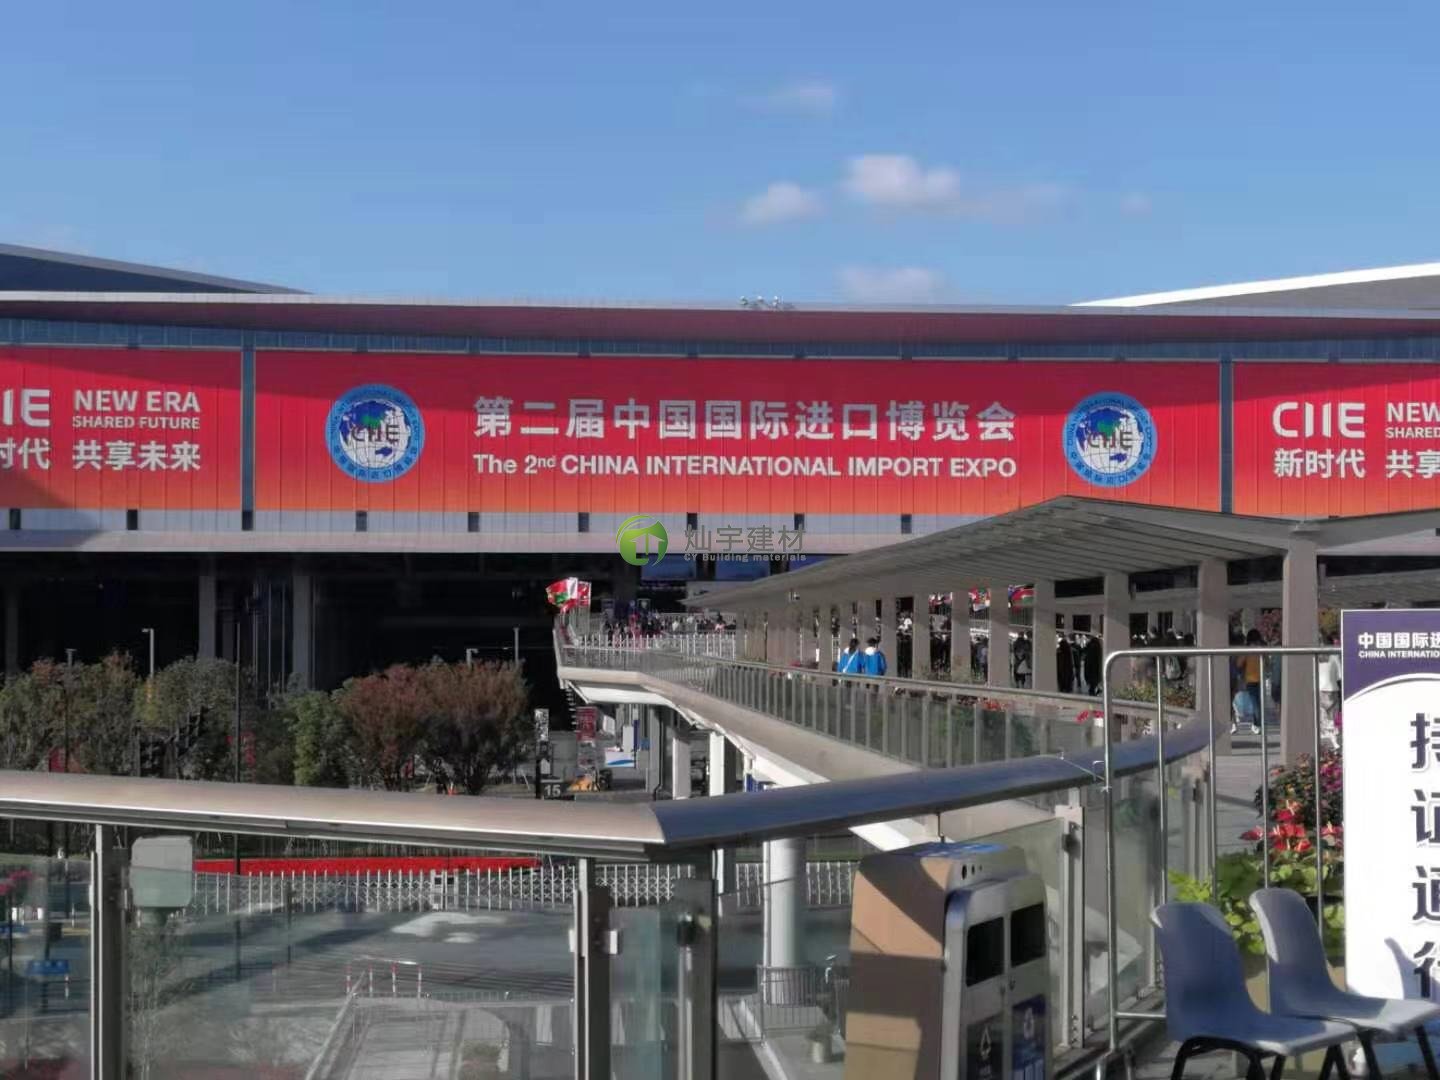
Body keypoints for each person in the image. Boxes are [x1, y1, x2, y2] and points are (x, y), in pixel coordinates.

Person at [1318, 633, 1341, 747]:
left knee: (1322, 720)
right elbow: (1339, 676)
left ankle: (1325, 743)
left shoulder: (1315, 656)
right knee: (1333, 719)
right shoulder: (1334, 656)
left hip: (1319, 690)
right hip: (1332, 689)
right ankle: (1334, 742)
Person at [1242, 628, 1263, 734]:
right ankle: (1256, 724)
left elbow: (1239, 663)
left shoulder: (1247, 650)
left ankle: (1257, 724)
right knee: (1258, 704)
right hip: (1260, 679)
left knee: (1256, 704)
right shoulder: (1262, 649)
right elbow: (1267, 663)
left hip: (1250, 679)